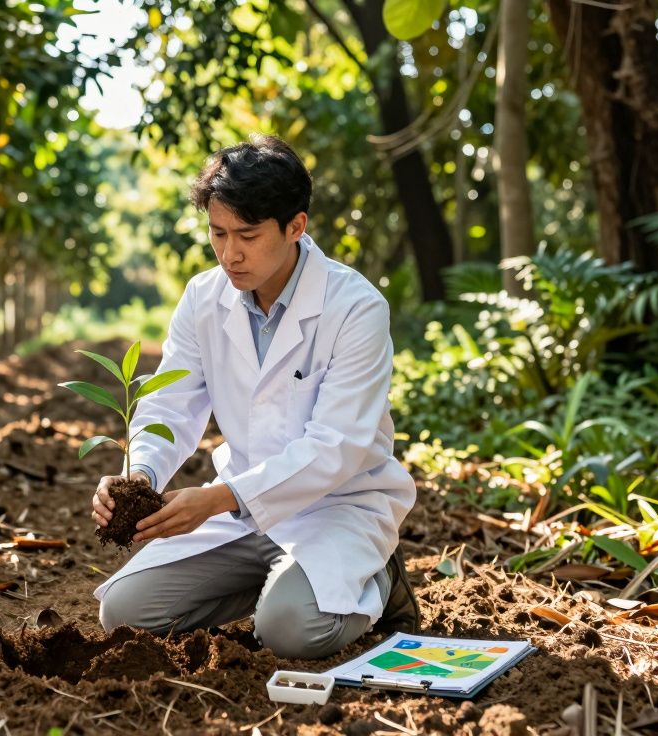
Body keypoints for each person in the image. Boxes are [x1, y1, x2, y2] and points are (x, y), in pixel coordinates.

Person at [91, 134, 420, 660]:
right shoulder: (203, 298)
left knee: (289, 633)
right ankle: (282, 586)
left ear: (296, 226)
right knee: (126, 613)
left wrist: (219, 499)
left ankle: (376, 578)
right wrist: (141, 476)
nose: (230, 253)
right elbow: (170, 404)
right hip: (245, 515)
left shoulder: (355, 307)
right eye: (217, 233)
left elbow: (338, 446)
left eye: (247, 234)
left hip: (339, 504)